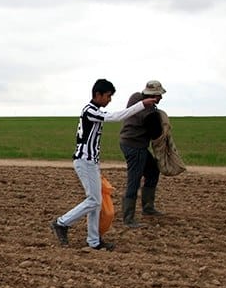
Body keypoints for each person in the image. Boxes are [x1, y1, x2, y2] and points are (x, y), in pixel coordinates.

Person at [50, 79, 159, 251]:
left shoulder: (93, 110)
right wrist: (141, 105)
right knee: (94, 200)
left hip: (90, 162)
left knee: (96, 202)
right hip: (85, 161)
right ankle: (62, 222)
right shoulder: (90, 111)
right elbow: (115, 117)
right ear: (98, 95)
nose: (109, 100)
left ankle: (94, 242)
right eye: (108, 96)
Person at [118, 80, 166, 227]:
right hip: (135, 146)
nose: (161, 98)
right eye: (159, 96)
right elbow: (156, 134)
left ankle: (148, 208)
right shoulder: (150, 113)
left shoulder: (135, 97)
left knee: (152, 170)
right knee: (134, 180)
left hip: (127, 142)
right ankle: (128, 218)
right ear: (154, 96)